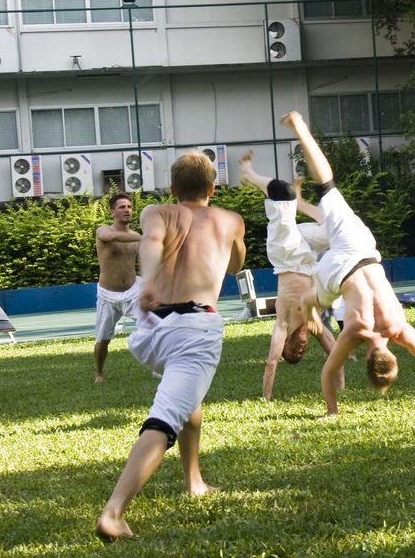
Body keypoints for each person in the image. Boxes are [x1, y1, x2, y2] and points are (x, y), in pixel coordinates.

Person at [95, 152, 246, 542]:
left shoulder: (155, 212)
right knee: (164, 419)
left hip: (150, 330)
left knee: (187, 396)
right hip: (194, 328)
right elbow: (235, 265)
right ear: (213, 188)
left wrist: (147, 283)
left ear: (173, 188)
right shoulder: (230, 220)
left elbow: (151, 244)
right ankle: (113, 513)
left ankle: (193, 480)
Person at [282, 110, 415, 416]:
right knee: (311, 299)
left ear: (392, 358)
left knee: (327, 186)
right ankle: (310, 312)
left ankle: (300, 127)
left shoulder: (397, 327)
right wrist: (331, 412)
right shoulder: (358, 331)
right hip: (337, 269)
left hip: (361, 247)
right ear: (369, 362)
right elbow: (328, 373)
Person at [237, 149, 342, 400]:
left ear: (285, 345)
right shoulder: (314, 323)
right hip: (307, 254)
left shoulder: (283, 325)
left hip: (286, 255)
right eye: (301, 354)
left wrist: (266, 396)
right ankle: (300, 202)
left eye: (293, 352)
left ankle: (249, 175)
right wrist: (342, 389)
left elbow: (271, 362)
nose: (300, 350)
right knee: (338, 229)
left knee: (284, 192)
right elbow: (335, 352)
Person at [93, 193, 141, 382]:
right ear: (112, 212)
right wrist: (145, 237)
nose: (127, 210)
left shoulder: (136, 237)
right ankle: (99, 373)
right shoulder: (103, 231)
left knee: (154, 327)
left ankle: (158, 367)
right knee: (103, 339)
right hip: (108, 294)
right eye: (122, 207)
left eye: (129, 207)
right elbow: (111, 236)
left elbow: (143, 262)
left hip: (133, 291)